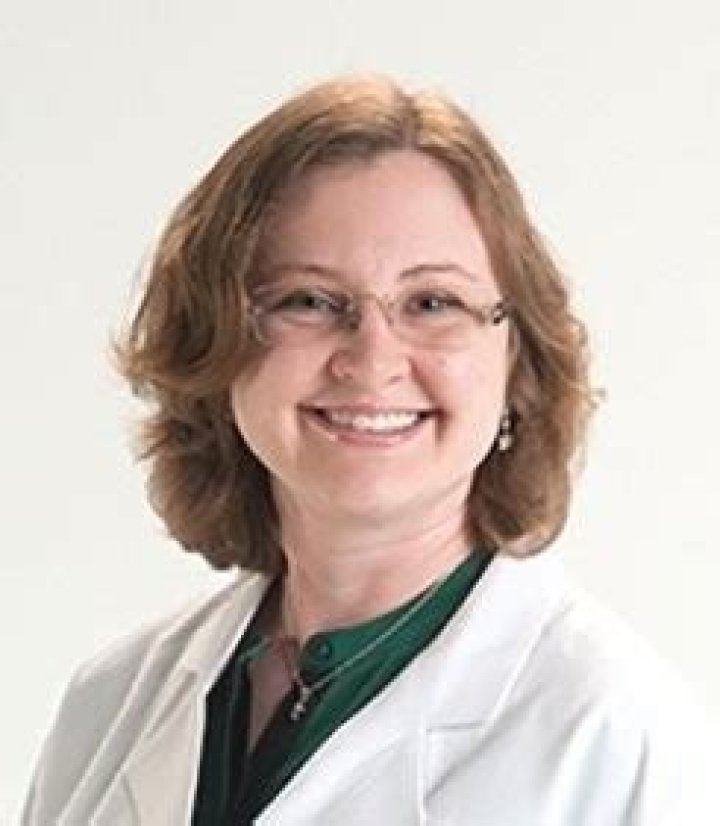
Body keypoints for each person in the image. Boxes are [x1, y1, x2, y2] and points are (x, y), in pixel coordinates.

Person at [22, 75, 716, 825]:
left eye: (433, 303)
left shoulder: (616, 737)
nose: (373, 359)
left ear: (517, 357)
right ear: (214, 343)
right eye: (308, 301)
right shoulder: (111, 706)